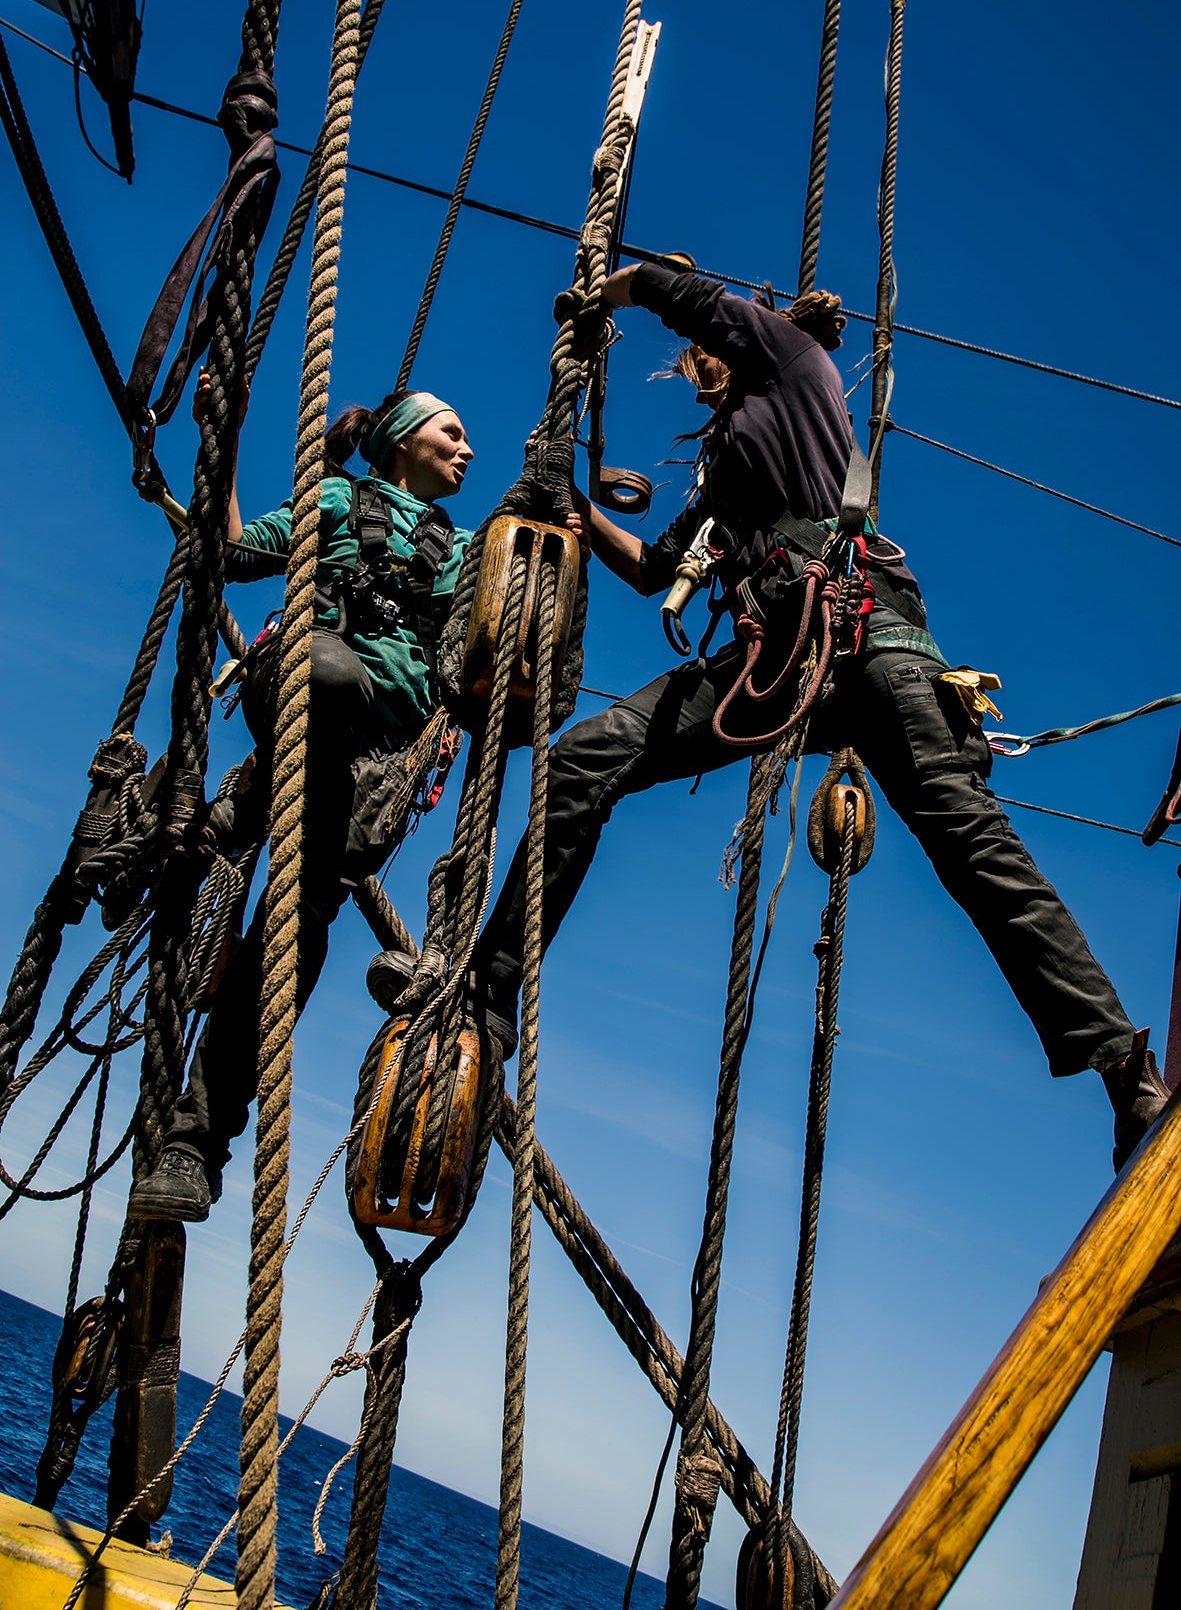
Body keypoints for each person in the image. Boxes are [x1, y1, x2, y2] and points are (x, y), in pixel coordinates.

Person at [470, 260, 1170, 1171]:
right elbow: (654, 570)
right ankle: (491, 993)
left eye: (710, 347)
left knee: (969, 842)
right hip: (772, 659)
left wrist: (614, 289)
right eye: (695, 357)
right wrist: (573, 507)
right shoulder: (725, 465)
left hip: (864, 634)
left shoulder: (796, 363)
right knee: (585, 758)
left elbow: (695, 299)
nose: (701, 358)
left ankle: (1124, 1068)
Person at [130, 383, 476, 1222]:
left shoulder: (466, 551)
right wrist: (227, 435)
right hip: (304, 691)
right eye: (451, 432)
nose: (467, 449)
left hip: (371, 773)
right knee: (330, 671)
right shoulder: (334, 499)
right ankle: (237, 812)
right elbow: (239, 553)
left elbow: (480, 666)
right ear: (400, 440)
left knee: (295, 931)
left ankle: (194, 1146)